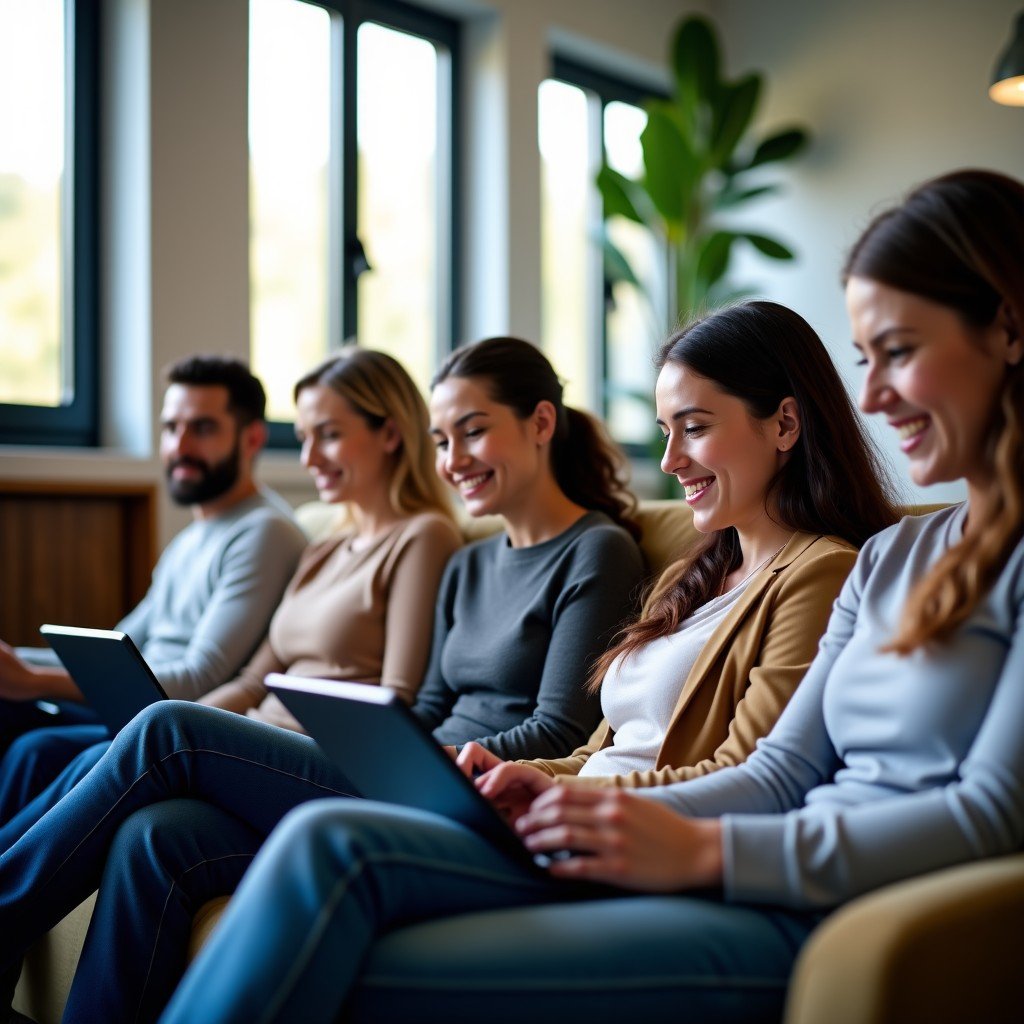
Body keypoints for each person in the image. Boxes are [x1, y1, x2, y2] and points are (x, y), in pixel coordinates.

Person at [159, 169, 1023, 1024]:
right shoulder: (888, 558)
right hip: (687, 842)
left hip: (774, 889)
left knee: (321, 860)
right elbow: (782, 772)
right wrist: (548, 789)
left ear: (1009, 330)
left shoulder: (827, 563)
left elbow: (981, 810)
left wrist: (681, 840)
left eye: (898, 354)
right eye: (865, 360)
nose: (871, 395)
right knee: (274, 838)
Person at [0, 337, 646, 1024]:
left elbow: (559, 729)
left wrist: (430, 762)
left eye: (474, 431)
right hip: (404, 771)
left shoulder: (596, 552)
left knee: (168, 727)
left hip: (466, 793)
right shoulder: (471, 561)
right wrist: (385, 748)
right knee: (158, 834)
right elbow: (423, 704)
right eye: (442, 439)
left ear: (542, 423)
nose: (453, 459)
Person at [457, 302, 897, 824]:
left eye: (694, 428)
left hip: (629, 839)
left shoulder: (822, 574)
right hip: (571, 822)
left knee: (345, 838)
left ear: (784, 424)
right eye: (667, 431)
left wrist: (566, 801)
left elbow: (745, 774)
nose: (669, 461)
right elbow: (599, 758)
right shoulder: (688, 577)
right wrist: (525, 776)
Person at [0, 355, 307, 808]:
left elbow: (199, 678)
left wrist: (36, 681)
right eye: (170, 428)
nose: (179, 446)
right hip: (132, 707)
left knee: (33, 746)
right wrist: (16, 663)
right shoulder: (191, 538)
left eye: (202, 428)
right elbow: (115, 649)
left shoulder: (265, 532)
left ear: (253, 438)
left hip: (170, 722)